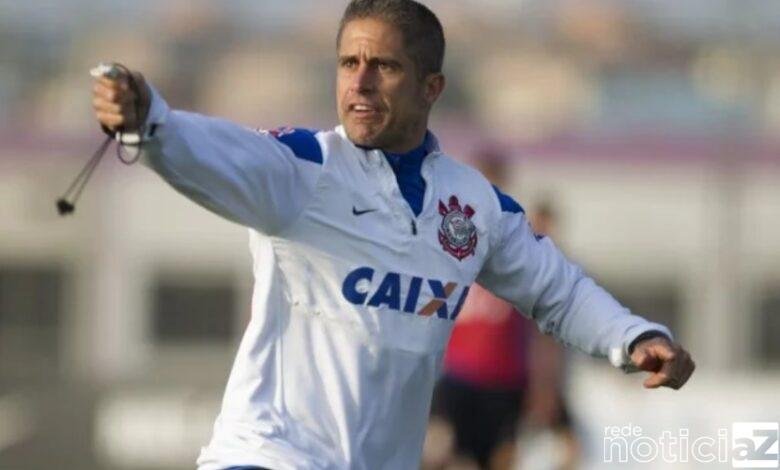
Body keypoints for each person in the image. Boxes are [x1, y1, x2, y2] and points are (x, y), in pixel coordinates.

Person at [91, 1, 695, 469]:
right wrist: (150, 121)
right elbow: (217, 152)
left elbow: (555, 289)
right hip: (268, 455)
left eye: (383, 66)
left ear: (431, 87)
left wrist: (633, 335)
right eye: (349, 63)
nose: (360, 82)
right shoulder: (304, 168)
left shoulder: (472, 205)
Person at [424, 153, 577, 470]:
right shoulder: (449, 237)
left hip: (506, 381)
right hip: (458, 377)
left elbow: (542, 327)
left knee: (501, 459)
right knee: (436, 449)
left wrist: (545, 385)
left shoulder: (515, 244)